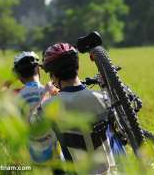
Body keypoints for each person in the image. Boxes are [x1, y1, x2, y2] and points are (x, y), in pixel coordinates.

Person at [41, 43, 125, 174]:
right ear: (77, 67)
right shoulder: (103, 98)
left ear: (54, 76)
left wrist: (46, 92)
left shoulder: (51, 106)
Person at [12, 51, 60, 164]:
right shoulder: (50, 91)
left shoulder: (16, 97)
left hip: (34, 154)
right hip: (54, 152)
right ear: (38, 70)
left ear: (19, 76)